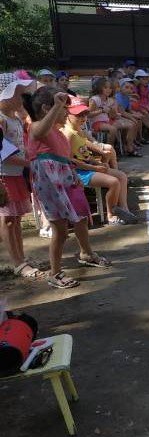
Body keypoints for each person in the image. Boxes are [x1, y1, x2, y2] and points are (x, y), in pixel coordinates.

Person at [23, 88, 112, 289]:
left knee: (78, 219)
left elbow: (65, 160)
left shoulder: (59, 133)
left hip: (66, 180)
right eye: (65, 109)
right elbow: (39, 131)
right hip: (51, 184)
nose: (67, 113)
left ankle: (86, 254)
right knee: (60, 231)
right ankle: (54, 273)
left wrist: (76, 175)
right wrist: (57, 105)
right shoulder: (37, 128)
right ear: (48, 108)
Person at [61, 97, 138, 226]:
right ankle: (111, 215)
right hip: (79, 172)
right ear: (67, 114)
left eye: (85, 114)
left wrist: (97, 162)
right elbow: (70, 161)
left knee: (122, 176)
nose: (83, 118)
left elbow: (84, 153)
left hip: (88, 167)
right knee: (113, 182)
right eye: (78, 115)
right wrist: (95, 168)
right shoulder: (67, 133)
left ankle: (124, 209)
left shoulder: (78, 129)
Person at [0, 73, 42, 279]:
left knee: (15, 218)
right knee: (8, 219)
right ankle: (17, 262)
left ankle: (22, 257)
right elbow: (3, 153)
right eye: (18, 95)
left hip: (15, 174)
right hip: (4, 175)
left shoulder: (15, 117)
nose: (22, 99)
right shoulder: (1, 119)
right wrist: (30, 163)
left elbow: (20, 144)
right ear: (4, 95)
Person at [88, 77, 140, 157]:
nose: (108, 90)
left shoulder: (110, 100)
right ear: (99, 87)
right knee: (113, 129)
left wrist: (115, 113)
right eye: (105, 88)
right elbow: (89, 114)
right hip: (96, 122)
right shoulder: (95, 99)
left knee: (131, 125)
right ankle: (110, 151)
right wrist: (101, 110)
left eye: (110, 88)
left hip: (108, 121)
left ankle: (129, 147)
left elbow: (112, 115)